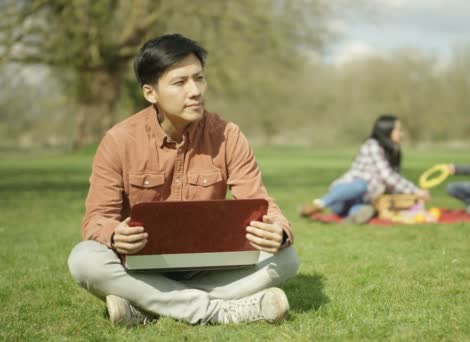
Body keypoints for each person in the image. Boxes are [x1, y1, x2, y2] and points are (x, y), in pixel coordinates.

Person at [67, 34, 299, 327]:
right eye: (180, 83)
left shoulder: (228, 135)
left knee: (287, 258)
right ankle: (220, 311)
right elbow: (97, 219)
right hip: (141, 267)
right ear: (151, 93)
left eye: (199, 79)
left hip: (210, 264)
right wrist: (115, 234)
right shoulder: (118, 140)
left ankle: (148, 308)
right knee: (84, 260)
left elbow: (263, 204)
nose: (195, 91)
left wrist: (278, 231)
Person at [299, 115, 429, 224]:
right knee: (361, 185)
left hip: (363, 199)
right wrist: (416, 191)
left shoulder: (394, 151)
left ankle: (351, 219)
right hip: (342, 195)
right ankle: (319, 205)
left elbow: (393, 182)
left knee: (368, 208)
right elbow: (388, 176)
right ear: (387, 130)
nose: (401, 133)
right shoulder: (372, 145)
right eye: (398, 130)